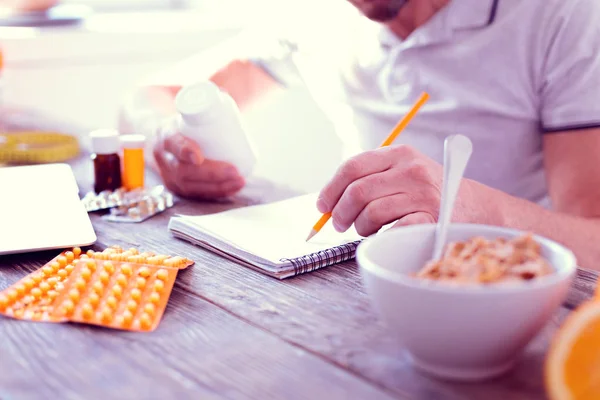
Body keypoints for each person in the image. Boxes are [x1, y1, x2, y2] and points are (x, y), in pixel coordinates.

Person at [119, 0, 600, 270]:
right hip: (363, 278)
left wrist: (474, 209)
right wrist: (168, 141)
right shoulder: (317, 14)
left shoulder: (563, 15)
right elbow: (150, 96)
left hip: (505, 293)